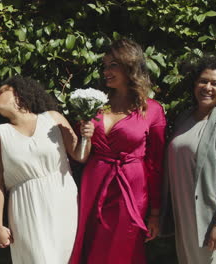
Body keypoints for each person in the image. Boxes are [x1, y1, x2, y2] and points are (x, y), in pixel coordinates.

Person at [70, 39, 166, 264]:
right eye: (105, 66)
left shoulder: (152, 110)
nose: (106, 71)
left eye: (113, 65)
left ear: (130, 66)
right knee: (89, 243)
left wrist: (154, 212)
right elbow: (78, 152)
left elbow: (156, 164)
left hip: (130, 188)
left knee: (122, 246)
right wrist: (85, 132)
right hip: (93, 184)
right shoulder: (96, 105)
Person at [0, 76, 93, 263]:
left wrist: (86, 136)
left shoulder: (53, 118)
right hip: (24, 207)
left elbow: (80, 155)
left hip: (62, 201)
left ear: (18, 93)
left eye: (2, 90)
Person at [160, 55, 216, 263]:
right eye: (203, 81)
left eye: (215, 83)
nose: (207, 87)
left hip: (211, 221)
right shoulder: (184, 118)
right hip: (184, 218)